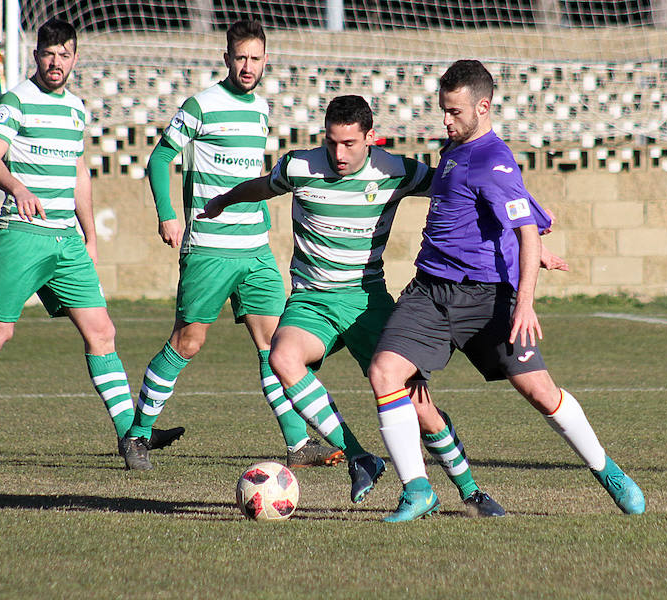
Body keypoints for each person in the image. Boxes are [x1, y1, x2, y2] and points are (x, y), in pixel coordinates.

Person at [367, 59, 646, 521]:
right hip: (430, 292)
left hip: (488, 299)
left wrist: (525, 302)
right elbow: (505, 218)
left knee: (540, 393)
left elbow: (528, 230)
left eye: (454, 112)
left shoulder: (494, 160)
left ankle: (606, 469)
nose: (446, 120)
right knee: (385, 374)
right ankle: (417, 490)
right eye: (443, 110)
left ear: (483, 106)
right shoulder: (453, 148)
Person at [200, 95, 507, 511]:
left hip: (368, 302)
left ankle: (470, 491)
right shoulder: (299, 167)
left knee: (420, 408)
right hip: (313, 300)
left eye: (349, 144)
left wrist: (524, 227)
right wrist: (224, 200)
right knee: (282, 358)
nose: (339, 154)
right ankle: (360, 456)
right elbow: (261, 185)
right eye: (332, 143)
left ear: (369, 138)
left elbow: (465, 189)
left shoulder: (395, 169)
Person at [0, 18, 179, 463]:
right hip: (21, 236)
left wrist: (88, 235)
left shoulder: (77, 109)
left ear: (74, 59)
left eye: (65, 54)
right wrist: (18, 188)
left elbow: (79, 173)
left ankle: (130, 437)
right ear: (37, 56)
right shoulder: (17, 102)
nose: (56, 62)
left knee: (102, 331)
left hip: (66, 240)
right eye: (49, 54)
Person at [122, 20, 342, 471]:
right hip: (209, 248)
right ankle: (138, 434)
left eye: (255, 58)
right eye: (240, 57)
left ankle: (298, 446)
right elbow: (161, 157)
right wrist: (168, 215)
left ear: (265, 61)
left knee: (276, 347)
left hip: (255, 252)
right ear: (226, 59)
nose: (247, 66)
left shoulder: (261, 109)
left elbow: (252, 176)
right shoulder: (201, 106)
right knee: (188, 342)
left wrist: (262, 222)